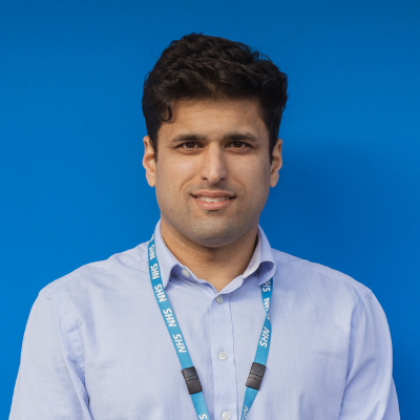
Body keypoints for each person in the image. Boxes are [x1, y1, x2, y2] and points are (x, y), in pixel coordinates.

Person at [9, 33, 399, 420]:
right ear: (151, 160)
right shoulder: (70, 312)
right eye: (189, 145)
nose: (214, 172)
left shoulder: (349, 311)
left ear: (274, 161)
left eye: (238, 144)